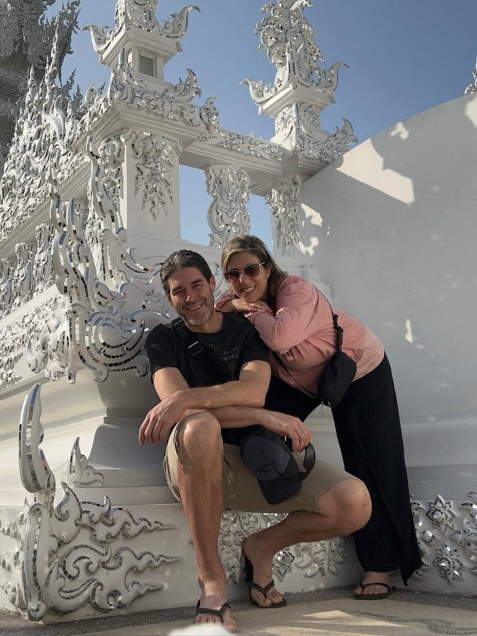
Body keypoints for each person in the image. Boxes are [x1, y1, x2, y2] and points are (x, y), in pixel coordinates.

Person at [139, 249, 371, 632]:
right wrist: (258, 414)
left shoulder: (244, 332)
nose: (190, 297)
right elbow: (179, 409)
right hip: (194, 461)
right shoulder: (164, 339)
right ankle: (211, 582)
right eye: (179, 291)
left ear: (212, 283)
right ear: (169, 297)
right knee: (200, 426)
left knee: (354, 502)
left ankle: (261, 547)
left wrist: (192, 399)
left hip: (253, 457)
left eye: (196, 285)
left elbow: (253, 391)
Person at [216, 235, 422, 601]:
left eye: (250, 270)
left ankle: (379, 565)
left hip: (358, 369)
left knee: (372, 462)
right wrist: (235, 305)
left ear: (267, 267)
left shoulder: (296, 290)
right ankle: (263, 522)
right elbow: (217, 312)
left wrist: (251, 310)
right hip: (300, 380)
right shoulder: (240, 300)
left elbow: (280, 337)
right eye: (233, 274)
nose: (242, 280)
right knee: (249, 426)